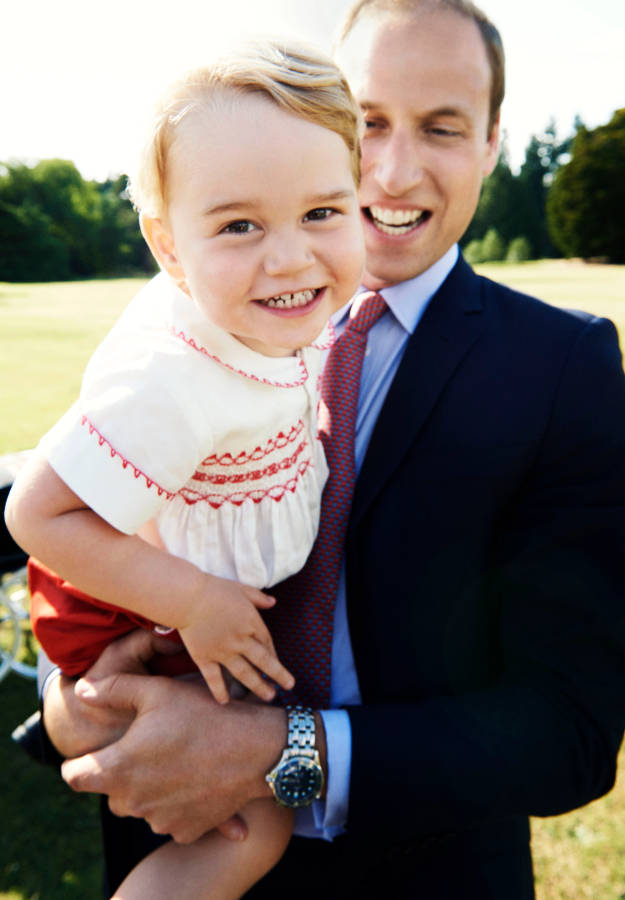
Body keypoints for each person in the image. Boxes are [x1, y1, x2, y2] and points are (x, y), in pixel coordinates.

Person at [17, 0, 625, 897]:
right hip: (180, 846)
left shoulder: (562, 367)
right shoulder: (196, 322)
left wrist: (282, 758)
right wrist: (72, 704)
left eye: (442, 126)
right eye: (368, 121)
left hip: (416, 874)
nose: (392, 166)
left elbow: (565, 732)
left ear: (494, 140)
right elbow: (88, 523)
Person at [5, 42, 366, 900]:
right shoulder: (172, 376)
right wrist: (193, 603)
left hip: (173, 597)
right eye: (239, 225)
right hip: (132, 607)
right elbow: (35, 515)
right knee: (255, 821)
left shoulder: (259, 322)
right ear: (169, 249)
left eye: (321, 212)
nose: (289, 258)